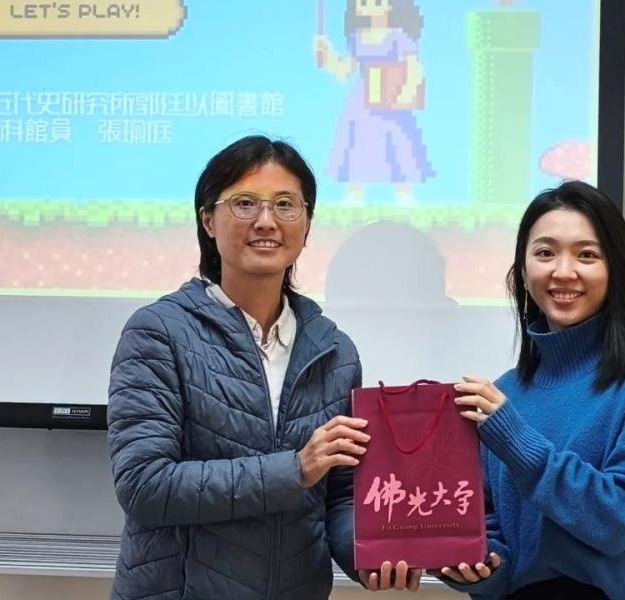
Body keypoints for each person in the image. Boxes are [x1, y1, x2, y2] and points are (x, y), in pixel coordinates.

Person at [107, 135, 420, 599]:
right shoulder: (158, 332)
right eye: (245, 203)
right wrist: (293, 470)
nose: (267, 221)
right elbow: (144, 486)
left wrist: (370, 558)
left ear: (307, 224)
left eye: (286, 205)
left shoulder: (336, 352)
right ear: (208, 221)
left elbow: (338, 497)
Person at [440, 181, 625, 599]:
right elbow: (501, 551)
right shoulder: (504, 395)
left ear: (614, 270)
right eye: (545, 253)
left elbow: (619, 519)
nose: (563, 272)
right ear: (522, 271)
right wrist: (478, 566)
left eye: (587, 255)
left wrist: (516, 440)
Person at [315, 0, 434, 204]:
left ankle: (404, 194)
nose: (370, 6)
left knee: (397, 144)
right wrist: (327, 56)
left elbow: (414, 67)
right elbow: (344, 72)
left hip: (391, 100)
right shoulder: (357, 38)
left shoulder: (399, 37)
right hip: (362, 101)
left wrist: (406, 92)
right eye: (364, 2)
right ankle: (354, 195)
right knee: (359, 145)